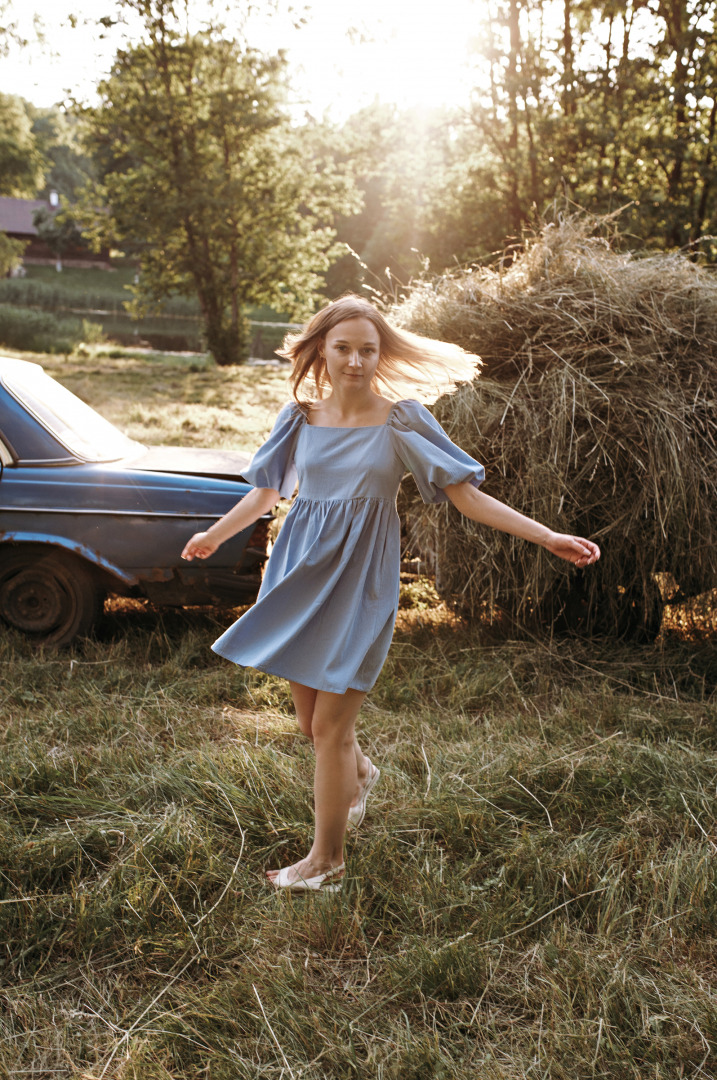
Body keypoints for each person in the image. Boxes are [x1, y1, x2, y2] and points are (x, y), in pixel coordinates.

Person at [181, 294, 600, 893]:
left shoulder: (401, 420)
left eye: (367, 349)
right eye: (343, 348)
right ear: (321, 350)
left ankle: (326, 862)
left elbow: (466, 496)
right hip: (298, 575)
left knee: (330, 728)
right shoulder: (299, 418)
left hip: (361, 583)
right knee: (310, 724)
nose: (355, 361)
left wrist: (546, 535)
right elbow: (266, 493)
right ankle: (360, 774)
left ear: (382, 353)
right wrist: (213, 535)